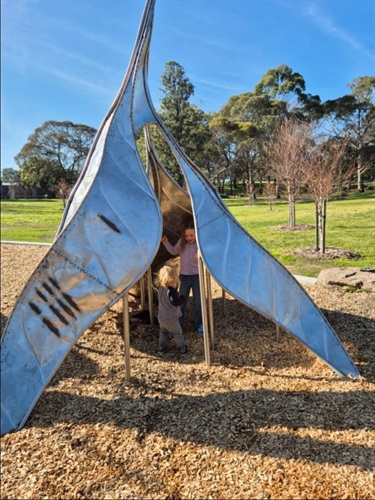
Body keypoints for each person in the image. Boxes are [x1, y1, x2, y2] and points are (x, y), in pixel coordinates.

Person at [161, 220, 203, 334]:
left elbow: (207, 256)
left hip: (196, 276)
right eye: (187, 235)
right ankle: (180, 324)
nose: (189, 238)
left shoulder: (199, 244)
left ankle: (199, 325)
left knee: (198, 303)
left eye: (191, 235)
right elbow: (174, 251)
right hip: (184, 276)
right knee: (181, 302)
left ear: (196, 234)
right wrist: (166, 242)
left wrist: (200, 256)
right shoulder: (182, 242)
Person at [156, 265, 188, 357]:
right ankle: (182, 349)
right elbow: (175, 302)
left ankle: (161, 348)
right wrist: (182, 298)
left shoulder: (160, 289)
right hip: (171, 318)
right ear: (173, 278)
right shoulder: (171, 291)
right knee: (177, 333)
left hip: (161, 317)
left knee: (163, 332)